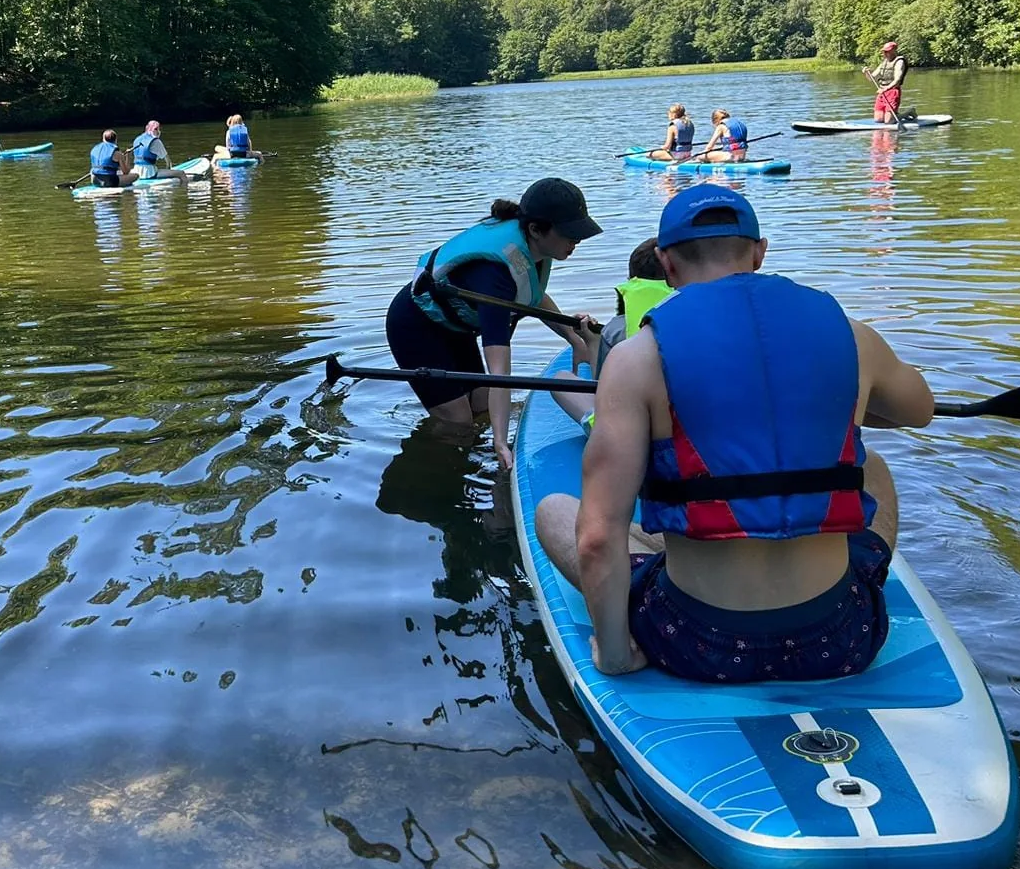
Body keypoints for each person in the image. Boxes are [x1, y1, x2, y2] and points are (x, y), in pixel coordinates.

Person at [533, 184, 934, 682]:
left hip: (697, 642)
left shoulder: (636, 360)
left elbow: (597, 538)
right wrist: (843, 402)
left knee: (555, 512)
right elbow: (919, 411)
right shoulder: (853, 337)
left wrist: (615, 657)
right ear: (759, 253)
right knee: (872, 469)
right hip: (839, 636)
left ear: (666, 263)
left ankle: (683, 569)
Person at [385, 177, 603, 471]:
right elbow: (500, 372)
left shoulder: (532, 248)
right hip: (415, 326)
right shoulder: (494, 275)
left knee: (481, 406)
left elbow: (532, 294)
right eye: (569, 233)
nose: (576, 241)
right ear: (536, 229)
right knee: (458, 422)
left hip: (455, 326)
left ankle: (469, 455)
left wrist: (574, 339)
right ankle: (432, 466)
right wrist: (501, 442)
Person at [549, 237, 672, 431]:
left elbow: (603, 390)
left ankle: (598, 431)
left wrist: (592, 340)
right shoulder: (698, 315)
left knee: (561, 377)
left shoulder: (614, 330)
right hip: (683, 424)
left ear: (631, 280)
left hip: (630, 431)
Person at [869, 42, 908, 125]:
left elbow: (897, 80)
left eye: (887, 51)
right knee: (878, 120)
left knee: (888, 121)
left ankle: (908, 113)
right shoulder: (884, 62)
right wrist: (866, 73)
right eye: (884, 51)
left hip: (892, 92)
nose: (885, 53)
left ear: (894, 51)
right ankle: (894, 115)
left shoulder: (899, 62)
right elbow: (872, 78)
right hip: (882, 92)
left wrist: (886, 89)